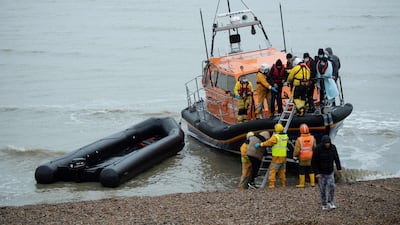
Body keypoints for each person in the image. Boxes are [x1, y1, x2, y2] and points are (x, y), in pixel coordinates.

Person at [312, 135, 342, 210]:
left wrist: (339, 168)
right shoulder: (318, 149)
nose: (327, 145)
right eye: (326, 143)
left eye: (328, 143)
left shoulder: (333, 148)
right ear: (323, 143)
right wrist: (316, 173)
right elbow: (313, 162)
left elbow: (336, 158)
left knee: (332, 186)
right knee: (322, 189)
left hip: (330, 172)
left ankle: (330, 202)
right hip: (321, 173)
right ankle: (324, 204)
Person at [254, 123, 288, 188]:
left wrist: (261, 144)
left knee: (272, 171)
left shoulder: (276, 137)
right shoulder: (285, 136)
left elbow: (269, 142)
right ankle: (283, 185)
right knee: (282, 171)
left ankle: (271, 185)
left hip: (276, 156)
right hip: (283, 156)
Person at [293, 124, 317, 188]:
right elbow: (315, 147)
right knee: (311, 170)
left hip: (302, 158)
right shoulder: (312, 138)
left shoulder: (299, 139)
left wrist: (295, 156)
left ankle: (302, 184)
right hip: (310, 157)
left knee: (302, 171)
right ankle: (312, 183)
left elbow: (297, 150)